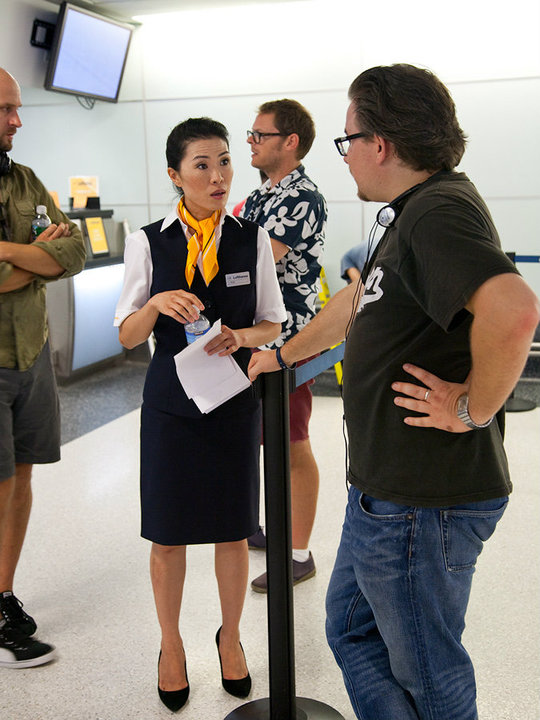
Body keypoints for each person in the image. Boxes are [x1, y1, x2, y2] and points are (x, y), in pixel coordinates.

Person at [248, 64, 540, 720]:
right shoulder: (407, 214)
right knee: (352, 632)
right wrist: (283, 353)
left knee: (428, 672)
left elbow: (516, 309)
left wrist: (472, 406)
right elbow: (356, 299)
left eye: (347, 139)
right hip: (385, 495)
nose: (346, 154)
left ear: (379, 144)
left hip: (420, 502)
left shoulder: (436, 210)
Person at [114, 117, 285, 712]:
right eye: (202, 165)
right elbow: (128, 335)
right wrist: (157, 301)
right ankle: (170, 646)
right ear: (174, 175)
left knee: (234, 529)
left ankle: (231, 638)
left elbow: (272, 320)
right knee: (168, 534)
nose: (218, 176)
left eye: (225, 162)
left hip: (233, 399)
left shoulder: (250, 237)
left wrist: (241, 336)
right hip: (169, 404)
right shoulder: (149, 240)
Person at [0, 68, 86, 668]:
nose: (17, 120)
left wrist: (9, 253)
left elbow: (73, 250)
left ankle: (2, 594)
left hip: (31, 355)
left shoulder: (26, 180)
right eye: (6, 109)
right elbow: (52, 258)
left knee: (22, 476)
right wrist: (42, 259)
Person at [241, 98, 327, 592]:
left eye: (260, 135)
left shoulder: (303, 197)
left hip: (288, 337)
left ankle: (298, 552)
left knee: (292, 444)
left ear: (289, 142)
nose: (250, 142)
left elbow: (255, 264)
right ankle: (265, 527)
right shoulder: (259, 196)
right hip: (257, 334)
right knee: (259, 435)